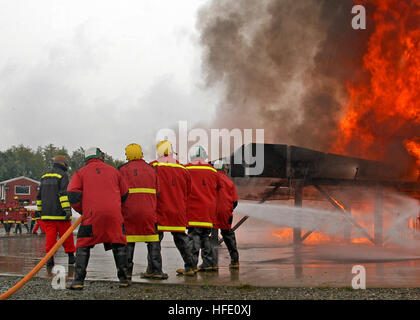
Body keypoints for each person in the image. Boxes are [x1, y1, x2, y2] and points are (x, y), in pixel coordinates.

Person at [67, 147, 130, 290]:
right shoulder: (114, 171)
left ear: (86, 158)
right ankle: (124, 279)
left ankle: (78, 281)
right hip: (114, 215)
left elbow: (72, 194)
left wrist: (83, 210)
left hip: (91, 215)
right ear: (100, 156)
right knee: (119, 243)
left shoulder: (80, 173)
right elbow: (125, 194)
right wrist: (115, 206)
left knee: (83, 245)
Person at [118, 143, 167, 280]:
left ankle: (126, 274)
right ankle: (157, 271)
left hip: (128, 213)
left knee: (128, 242)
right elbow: (158, 191)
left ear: (128, 154)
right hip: (149, 213)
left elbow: (118, 192)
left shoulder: (121, 170)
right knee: (153, 241)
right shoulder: (151, 169)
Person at [150, 140, 196, 276]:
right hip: (178, 211)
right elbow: (189, 191)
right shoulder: (183, 169)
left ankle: (155, 270)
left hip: (159, 210)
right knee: (181, 238)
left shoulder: (153, 167)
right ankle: (191, 267)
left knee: (155, 240)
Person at [185, 145, 220, 272]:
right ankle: (209, 263)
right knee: (205, 237)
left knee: (194, 237)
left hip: (194, 210)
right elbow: (219, 188)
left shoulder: (187, 169)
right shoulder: (213, 171)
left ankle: (191, 266)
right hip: (208, 212)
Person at [36, 155, 76, 267]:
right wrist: (67, 209)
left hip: (47, 214)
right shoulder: (63, 175)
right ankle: (71, 257)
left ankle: (49, 259)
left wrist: (40, 210)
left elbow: (39, 196)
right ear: (63, 164)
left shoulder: (44, 176)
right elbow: (63, 194)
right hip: (60, 214)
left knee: (50, 237)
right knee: (67, 236)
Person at [213, 159, 240, 269]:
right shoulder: (229, 182)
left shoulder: (211, 179)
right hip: (225, 213)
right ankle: (235, 261)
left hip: (212, 212)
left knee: (206, 236)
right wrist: (228, 210)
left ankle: (210, 263)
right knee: (228, 235)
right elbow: (235, 202)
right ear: (224, 168)